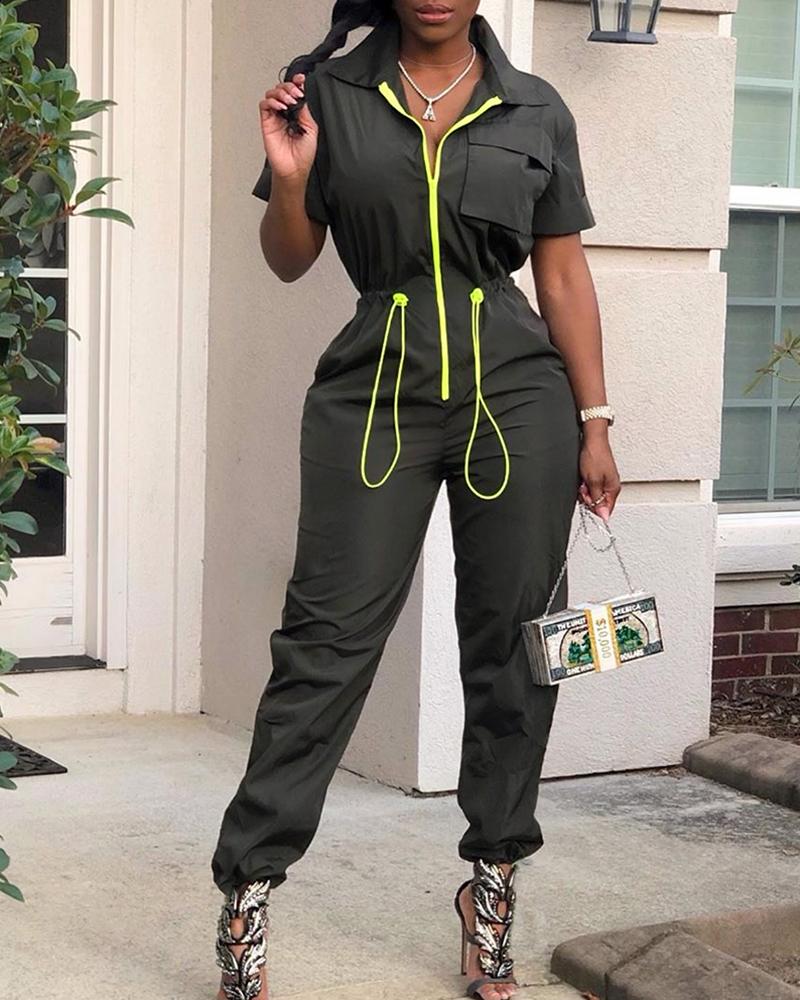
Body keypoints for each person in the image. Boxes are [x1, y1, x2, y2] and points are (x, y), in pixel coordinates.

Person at [211, 2, 621, 999]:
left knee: (516, 644)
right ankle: (248, 890)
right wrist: (291, 178)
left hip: (517, 396)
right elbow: (288, 257)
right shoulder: (328, 95)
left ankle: (492, 884)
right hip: (374, 390)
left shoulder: (535, 107)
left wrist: (596, 420)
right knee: (325, 641)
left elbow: (561, 273)